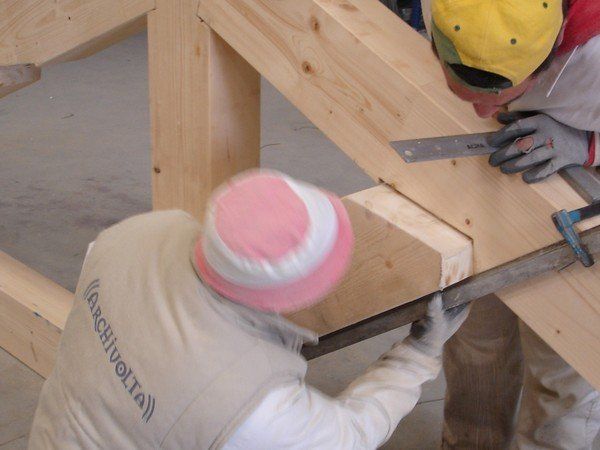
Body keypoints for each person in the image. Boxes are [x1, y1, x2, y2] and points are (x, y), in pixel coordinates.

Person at [28, 169, 469, 449]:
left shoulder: (139, 232)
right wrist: (416, 356)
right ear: (289, 298)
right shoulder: (250, 409)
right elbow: (347, 436)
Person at [418, 0, 600, 448]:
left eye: (502, 97)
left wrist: (589, 144)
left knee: (564, 366)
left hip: (584, 196)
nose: (482, 112)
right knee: (476, 343)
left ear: (552, 55)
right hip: (485, 183)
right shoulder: (446, 9)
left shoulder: (594, 57)